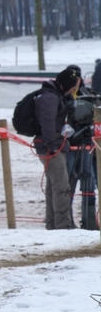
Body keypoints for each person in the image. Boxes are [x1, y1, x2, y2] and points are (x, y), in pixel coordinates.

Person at [34, 67, 80, 230]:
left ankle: (53, 223)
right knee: (61, 186)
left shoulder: (51, 95)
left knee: (53, 185)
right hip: (51, 147)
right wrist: (53, 147)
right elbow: (47, 124)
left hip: (49, 145)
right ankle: (63, 224)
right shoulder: (50, 98)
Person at [65, 65, 99, 230]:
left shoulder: (88, 95)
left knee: (89, 180)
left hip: (86, 145)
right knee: (69, 180)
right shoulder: (62, 97)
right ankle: (66, 217)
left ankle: (90, 219)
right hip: (70, 145)